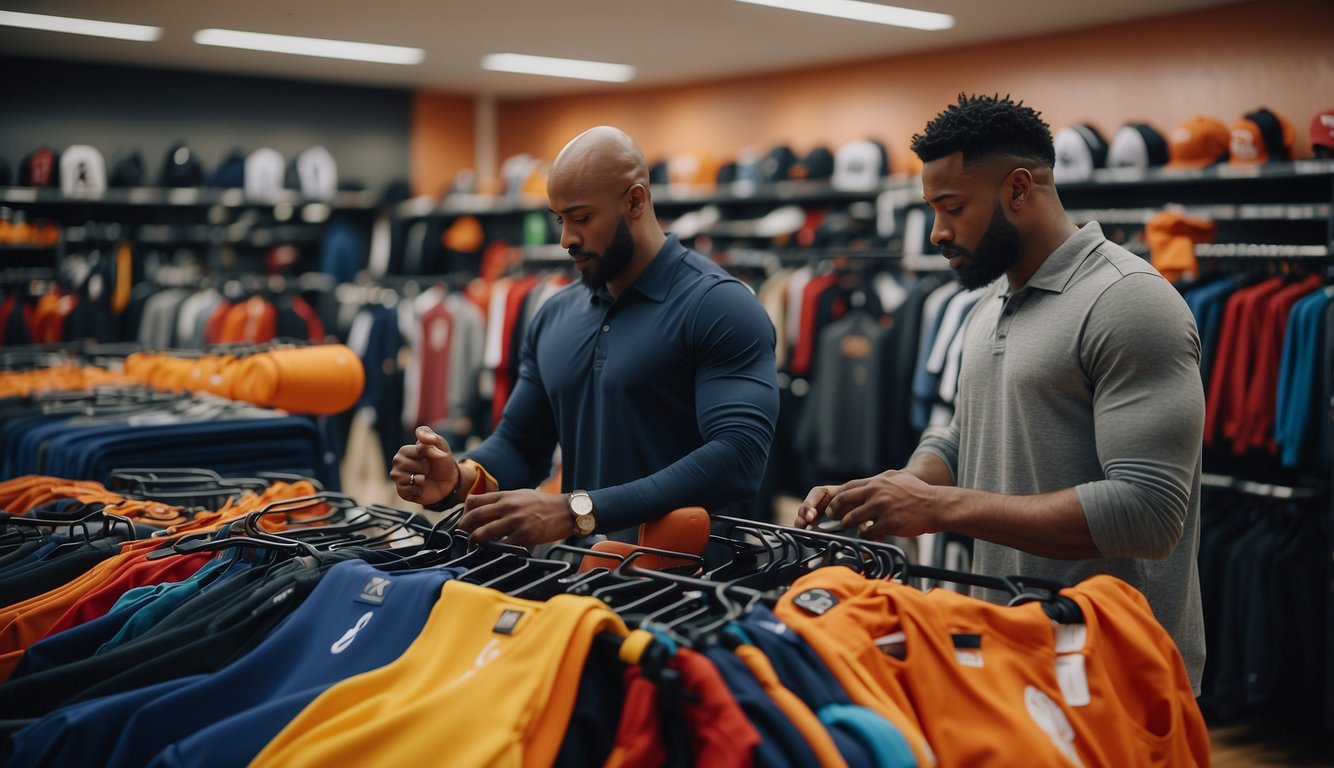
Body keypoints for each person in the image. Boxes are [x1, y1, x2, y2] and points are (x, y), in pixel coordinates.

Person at [796, 94, 1206, 693]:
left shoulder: (1129, 302)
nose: (937, 231)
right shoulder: (988, 301)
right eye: (931, 208)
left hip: (1118, 677)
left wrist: (941, 509)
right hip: (1012, 653)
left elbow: (1147, 513)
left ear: (1018, 189)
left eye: (952, 207)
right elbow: (966, 433)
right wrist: (897, 491)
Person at [394, 125, 779, 549]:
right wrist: (461, 477)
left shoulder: (718, 305)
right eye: (559, 220)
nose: (566, 239)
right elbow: (522, 445)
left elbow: (739, 456)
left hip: (690, 588)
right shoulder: (555, 314)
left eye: (581, 218)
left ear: (635, 201)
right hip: (582, 578)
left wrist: (576, 509)